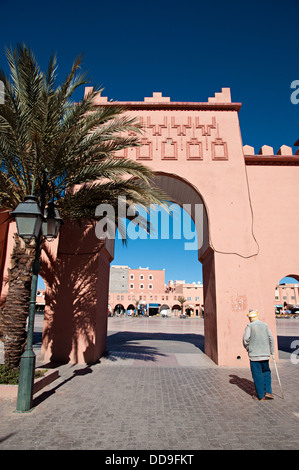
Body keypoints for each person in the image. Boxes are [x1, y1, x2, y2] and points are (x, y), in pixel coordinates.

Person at [243, 309, 275, 401]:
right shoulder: (265, 325)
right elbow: (271, 338)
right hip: (265, 354)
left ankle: (261, 395)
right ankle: (268, 391)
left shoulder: (250, 326)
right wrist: (271, 350)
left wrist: (248, 348)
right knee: (266, 372)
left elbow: (245, 339)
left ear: (250, 318)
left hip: (254, 355)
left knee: (257, 374)